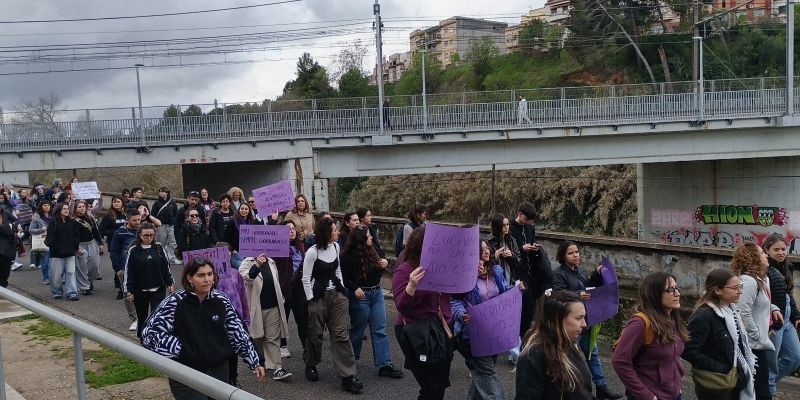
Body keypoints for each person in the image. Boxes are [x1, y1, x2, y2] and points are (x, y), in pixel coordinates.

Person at [141, 258, 266, 398]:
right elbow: (150, 334)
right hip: (186, 373)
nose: (207, 279)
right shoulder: (175, 302)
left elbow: (237, 332)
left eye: (210, 274)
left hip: (219, 371)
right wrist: (183, 351)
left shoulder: (221, 300)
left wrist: (255, 361)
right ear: (190, 278)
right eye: (201, 275)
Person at [452, 239, 525, 400]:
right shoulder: (464, 275)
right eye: (481, 249)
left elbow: (504, 291)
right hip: (472, 336)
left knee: (482, 374)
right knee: (488, 375)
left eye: (487, 248)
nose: (487, 251)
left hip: (493, 333)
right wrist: (461, 314)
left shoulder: (496, 270)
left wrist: (516, 289)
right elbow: (454, 301)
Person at [552, 240, 622, 400]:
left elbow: (589, 287)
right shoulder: (558, 274)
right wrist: (577, 295)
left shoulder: (581, 271)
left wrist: (597, 274)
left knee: (593, 355)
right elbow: (557, 295)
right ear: (563, 256)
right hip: (570, 324)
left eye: (577, 252)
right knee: (572, 359)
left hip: (588, 320)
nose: (575, 255)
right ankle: (576, 392)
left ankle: (602, 388)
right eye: (571, 253)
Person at [301, 217, 364, 393]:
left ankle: (348, 376)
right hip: (317, 298)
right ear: (327, 233)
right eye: (335, 230)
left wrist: (342, 288)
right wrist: (311, 299)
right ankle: (311, 364)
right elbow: (305, 278)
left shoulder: (336, 247)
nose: (338, 232)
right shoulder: (312, 252)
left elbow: (337, 270)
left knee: (340, 334)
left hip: (337, 296)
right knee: (316, 333)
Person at [392, 226, 454, 400]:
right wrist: (411, 286)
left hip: (441, 329)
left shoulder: (440, 266)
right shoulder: (404, 270)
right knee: (430, 387)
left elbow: (456, 293)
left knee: (439, 385)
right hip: (417, 331)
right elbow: (400, 306)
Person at [611, 272, 687, 400]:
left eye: (677, 288)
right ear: (655, 294)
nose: (677, 294)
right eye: (671, 290)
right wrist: (646, 396)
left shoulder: (672, 319)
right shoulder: (640, 323)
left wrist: (677, 384)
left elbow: (673, 357)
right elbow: (619, 361)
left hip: (673, 394)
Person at [683, 269, 756, 400]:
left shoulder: (732, 310)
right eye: (735, 288)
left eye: (740, 287)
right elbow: (689, 350)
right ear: (718, 290)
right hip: (717, 383)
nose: (740, 291)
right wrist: (721, 369)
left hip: (735, 379)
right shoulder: (705, 315)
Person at [340, 225, 402, 379]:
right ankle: (351, 361)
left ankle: (384, 364)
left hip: (377, 293)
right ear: (361, 239)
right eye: (368, 236)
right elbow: (345, 278)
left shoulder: (373, 249)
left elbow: (383, 260)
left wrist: (385, 262)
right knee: (358, 331)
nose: (372, 237)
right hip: (361, 296)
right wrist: (355, 288)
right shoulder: (348, 256)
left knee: (380, 328)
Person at [515, 290, 593, 400]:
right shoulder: (533, 354)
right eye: (578, 318)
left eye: (584, 318)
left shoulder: (567, 345)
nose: (584, 324)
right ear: (557, 319)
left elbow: (583, 392)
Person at [731, 242, 782, 400]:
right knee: (759, 388)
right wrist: (757, 334)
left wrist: (773, 307)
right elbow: (742, 311)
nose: (766, 255)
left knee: (760, 385)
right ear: (753, 258)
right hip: (752, 345)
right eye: (761, 253)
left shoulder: (760, 279)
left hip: (757, 342)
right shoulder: (748, 281)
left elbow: (759, 303)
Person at [240, 253, 293, 381]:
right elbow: (246, 278)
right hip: (256, 308)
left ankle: (277, 368)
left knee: (272, 338)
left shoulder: (271, 261)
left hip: (273, 306)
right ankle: (259, 361)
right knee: (257, 336)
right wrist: (257, 265)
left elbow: (276, 282)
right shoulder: (246, 262)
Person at [762, 234, 800, 397]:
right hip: (774, 324)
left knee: (794, 358)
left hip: (788, 322)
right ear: (767, 251)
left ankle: (763, 383)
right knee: (770, 365)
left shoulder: (787, 267)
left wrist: (796, 316)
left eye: (783, 249)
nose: (780, 252)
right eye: (775, 249)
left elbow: (788, 295)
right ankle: (768, 390)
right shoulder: (763, 269)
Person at [123, 222, 174, 338]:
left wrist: (169, 282)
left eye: (151, 235)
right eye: (146, 235)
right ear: (140, 235)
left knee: (156, 315)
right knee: (142, 317)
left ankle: (154, 338)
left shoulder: (159, 247)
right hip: (140, 290)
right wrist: (128, 291)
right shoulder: (134, 250)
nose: (149, 238)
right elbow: (129, 272)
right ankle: (141, 337)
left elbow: (166, 267)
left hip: (158, 288)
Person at [270, 220, 307, 357]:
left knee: (302, 319)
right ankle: (283, 345)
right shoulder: (278, 249)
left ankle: (306, 346)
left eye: (293, 228)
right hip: (285, 287)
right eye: (288, 229)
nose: (291, 231)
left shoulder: (301, 246)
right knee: (283, 318)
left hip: (299, 287)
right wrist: (273, 221)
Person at [110, 210, 142, 330]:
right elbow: (114, 252)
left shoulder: (143, 231)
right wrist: (118, 269)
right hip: (125, 268)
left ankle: (145, 317)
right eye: (134, 220)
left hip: (142, 268)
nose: (137, 222)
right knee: (128, 294)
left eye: (139, 219)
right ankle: (135, 319)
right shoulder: (119, 233)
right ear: (127, 220)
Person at [44, 203, 81, 301]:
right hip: (56, 254)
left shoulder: (72, 222)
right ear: (59, 210)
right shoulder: (54, 223)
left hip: (70, 253)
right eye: (64, 209)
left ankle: (72, 293)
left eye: (67, 208)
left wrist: (75, 247)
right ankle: (57, 291)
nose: (66, 210)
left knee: (71, 273)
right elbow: (50, 239)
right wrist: (56, 247)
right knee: (56, 275)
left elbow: (76, 236)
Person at [71, 200, 102, 296]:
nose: (82, 208)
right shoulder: (72, 221)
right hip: (80, 245)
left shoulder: (90, 218)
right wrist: (75, 248)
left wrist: (100, 243)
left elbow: (95, 231)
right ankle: (85, 287)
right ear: (75, 209)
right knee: (82, 267)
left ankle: (89, 282)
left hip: (92, 243)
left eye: (83, 206)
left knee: (95, 265)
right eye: (79, 207)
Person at [223, 202, 259, 271]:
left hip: (249, 253)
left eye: (246, 209)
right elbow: (226, 238)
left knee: (251, 273)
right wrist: (232, 250)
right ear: (239, 210)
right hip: (237, 253)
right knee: (243, 272)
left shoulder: (252, 222)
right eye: (242, 208)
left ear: (249, 211)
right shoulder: (233, 221)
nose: (244, 210)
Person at [488, 213, 521, 286]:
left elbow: (519, 263)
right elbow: (484, 265)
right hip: (495, 284)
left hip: (510, 280)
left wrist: (511, 256)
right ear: (497, 226)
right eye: (504, 225)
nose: (507, 227)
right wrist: (495, 257)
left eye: (508, 224)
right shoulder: (489, 241)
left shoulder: (512, 240)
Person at [152, 186, 180, 265]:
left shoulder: (172, 202)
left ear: (167, 193)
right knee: (161, 242)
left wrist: (174, 221)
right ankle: (161, 258)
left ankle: (172, 258)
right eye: (160, 191)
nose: (160, 193)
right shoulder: (156, 203)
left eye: (162, 191)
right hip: (161, 226)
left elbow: (176, 214)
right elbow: (153, 215)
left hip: (171, 225)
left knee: (172, 242)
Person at [29, 202, 53, 285]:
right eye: (45, 205)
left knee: (54, 261)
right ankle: (46, 278)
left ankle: (54, 277)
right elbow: (31, 230)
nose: (47, 207)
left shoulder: (53, 216)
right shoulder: (37, 218)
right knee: (45, 261)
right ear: (41, 207)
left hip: (54, 241)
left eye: (48, 205)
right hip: (43, 241)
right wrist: (41, 230)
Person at [0, 211, 16, 288]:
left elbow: (13, 241)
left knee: (3, 278)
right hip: (6, 255)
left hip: (4, 256)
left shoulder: (6, 228)